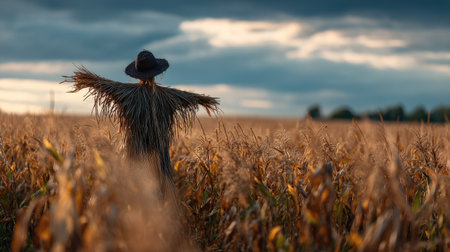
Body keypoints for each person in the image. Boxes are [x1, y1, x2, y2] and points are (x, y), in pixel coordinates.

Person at [64, 50, 219, 189]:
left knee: (132, 192)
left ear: (137, 73)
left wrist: (85, 79)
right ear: (156, 72)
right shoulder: (170, 96)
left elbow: (101, 84)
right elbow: (195, 98)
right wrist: (207, 101)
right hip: (159, 157)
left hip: (133, 152)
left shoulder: (124, 92)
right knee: (160, 190)